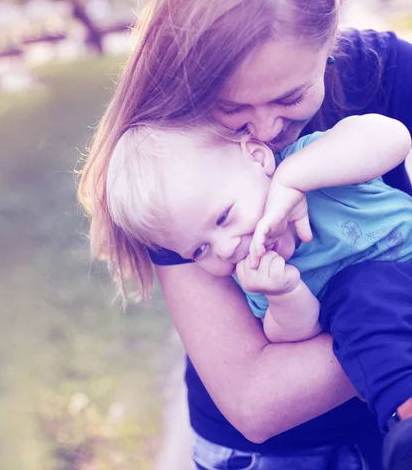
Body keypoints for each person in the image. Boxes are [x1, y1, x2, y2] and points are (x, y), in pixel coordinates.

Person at [77, 0, 412, 469]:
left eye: (291, 96)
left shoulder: (380, 69)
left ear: (330, 44)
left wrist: (292, 177)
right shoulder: (170, 158)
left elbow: (387, 140)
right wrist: (388, 321)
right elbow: (256, 398)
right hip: (283, 453)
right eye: (231, 109)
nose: (264, 131)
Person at [104, 114, 412, 462]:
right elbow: (298, 335)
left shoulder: (311, 162)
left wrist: (293, 178)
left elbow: (393, 137)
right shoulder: (251, 274)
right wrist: (283, 294)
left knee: (364, 295)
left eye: (222, 218)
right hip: (369, 306)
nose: (224, 248)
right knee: (357, 302)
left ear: (257, 158)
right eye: (199, 250)